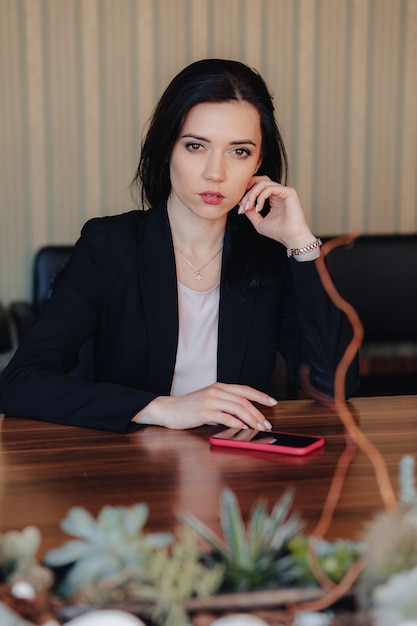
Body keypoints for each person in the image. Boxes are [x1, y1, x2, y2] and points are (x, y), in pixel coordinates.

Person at [0, 58, 358, 433]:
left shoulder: (268, 254)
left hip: (239, 471)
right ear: (166, 148)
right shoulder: (109, 246)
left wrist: (301, 245)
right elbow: (20, 383)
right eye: (195, 146)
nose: (215, 173)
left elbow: (334, 387)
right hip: (131, 470)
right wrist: (161, 409)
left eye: (239, 152)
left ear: (258, 163)